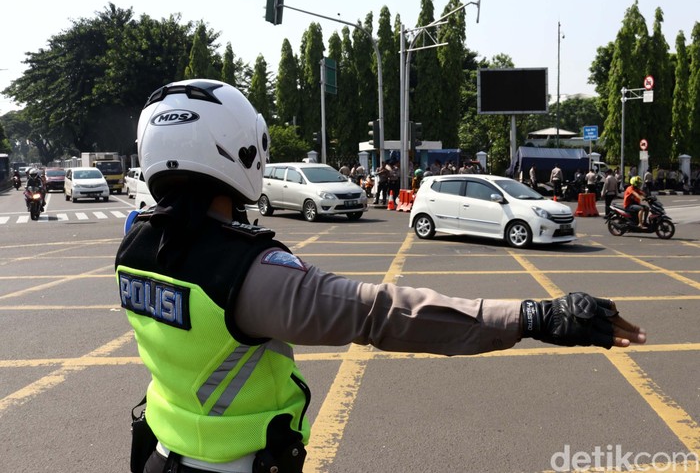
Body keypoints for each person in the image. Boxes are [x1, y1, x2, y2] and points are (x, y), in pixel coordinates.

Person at [116, 79, 646, 473]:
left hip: (160, 456)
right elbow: (385, 314)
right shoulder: (249, 274)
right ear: (240, 151)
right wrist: (537, 316)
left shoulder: (134, 243)